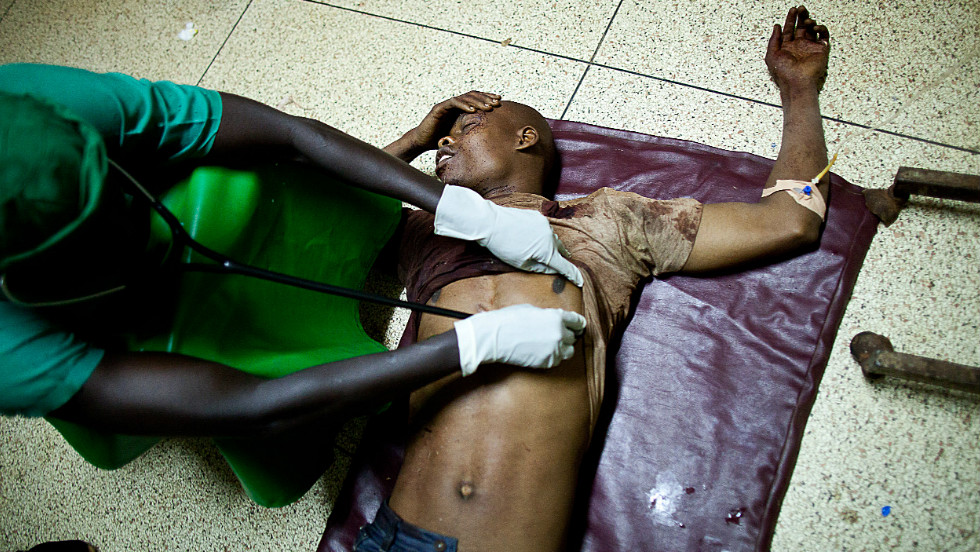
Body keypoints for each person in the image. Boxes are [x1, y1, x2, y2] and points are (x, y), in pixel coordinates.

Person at [353, 6, 831, 550]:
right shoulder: (427, 233)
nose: (445, 143)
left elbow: (791, 218)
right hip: (390, 539)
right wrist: (416, 137)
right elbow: (326, 202)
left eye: (465, 128)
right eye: (440, 139)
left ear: (526, 137)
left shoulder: (608, 220)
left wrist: (799, 90)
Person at [0, 63, 587, 435]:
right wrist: (477, 341)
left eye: (121, 198)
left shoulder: (51, 104)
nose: (450, 142)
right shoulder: (12, 355)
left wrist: (463, 209)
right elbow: (253, 404)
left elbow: (291, 136)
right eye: (103, 238)